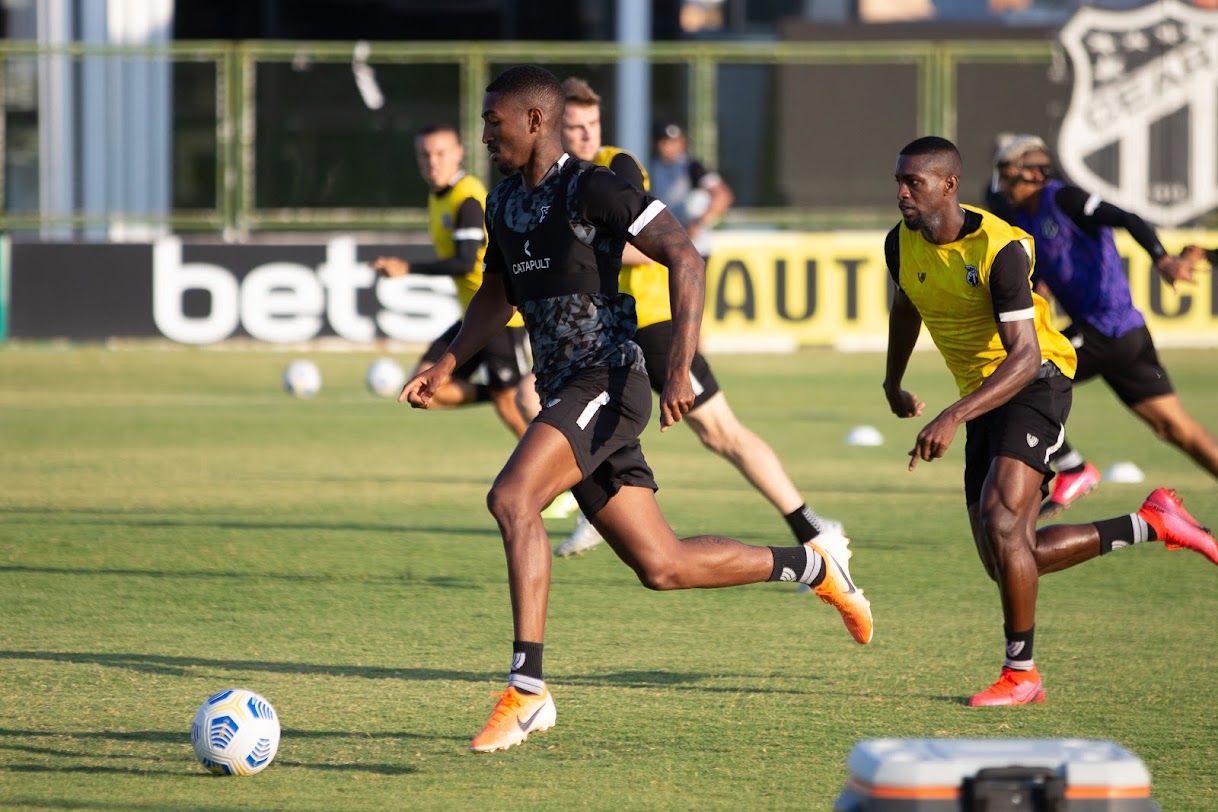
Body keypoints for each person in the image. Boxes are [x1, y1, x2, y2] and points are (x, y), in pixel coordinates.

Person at [400, 64, 873, 752]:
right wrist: (445, 361)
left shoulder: (593, 186)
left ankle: (528, 692)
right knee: (663, 565)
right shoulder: (503, 202)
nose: (483, 134)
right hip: (567, 388)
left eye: (493, 121)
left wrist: (677, 364)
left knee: (512, 499)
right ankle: (815, 566)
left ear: (535, 120)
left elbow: (685, 255)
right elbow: (494, 297)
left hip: (607, 379)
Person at [883, 136, 1217, 706]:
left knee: (1003, 524)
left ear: (948, 185)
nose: (901, 192)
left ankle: (1022, 676)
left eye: (913, 182)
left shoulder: (1003, 246)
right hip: (983, 395)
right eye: (899, 180)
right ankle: (1153, 523)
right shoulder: (900, 242)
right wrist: (893, 382)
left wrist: (952, 415)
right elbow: (908, 305)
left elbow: (1026, 358)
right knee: (1009, 559)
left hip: (1034, 382)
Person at [543, 76, 842, 559]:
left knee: (721, 433)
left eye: (592, 123)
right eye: (574, 126)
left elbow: (643, 246)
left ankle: (814, 531)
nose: (585, 135)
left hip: (654, 323)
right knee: (595, 423)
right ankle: (596, 514)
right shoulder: (556, 181)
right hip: (607, 331)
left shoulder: (616, 167)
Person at [994, 134, 1218, 519]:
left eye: (1008, 175)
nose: (1001, 186)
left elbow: (1128, 218)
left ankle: (1073, 468)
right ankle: (1071, 468)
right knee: (1175, 430)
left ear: (1034, 173)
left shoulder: (1065, 199)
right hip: (1120, 335)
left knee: (1012, 378)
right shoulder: (1023, 219)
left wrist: (1162, 259)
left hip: (1108, 327)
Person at [371, 123, 531, 439]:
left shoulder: (467, 199)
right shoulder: (438, 197)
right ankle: (498, 391)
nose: (433, 162)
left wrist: (407, 268)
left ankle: (562, 481)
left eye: (441, 153)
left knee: (515, 411)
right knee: (423, 388)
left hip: (502, 318)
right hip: (473, 317)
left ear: (458, 154)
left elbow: (464, 261)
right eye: (425, 155)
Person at [649, 120, 735, 263]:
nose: (665, 147)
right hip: (666, 245)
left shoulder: (692, 167)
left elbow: (723, 195)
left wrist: (699, 223)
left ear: (682, 142)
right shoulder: (653, 167)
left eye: (671, 141)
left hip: (694, 246)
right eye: (662, 141)